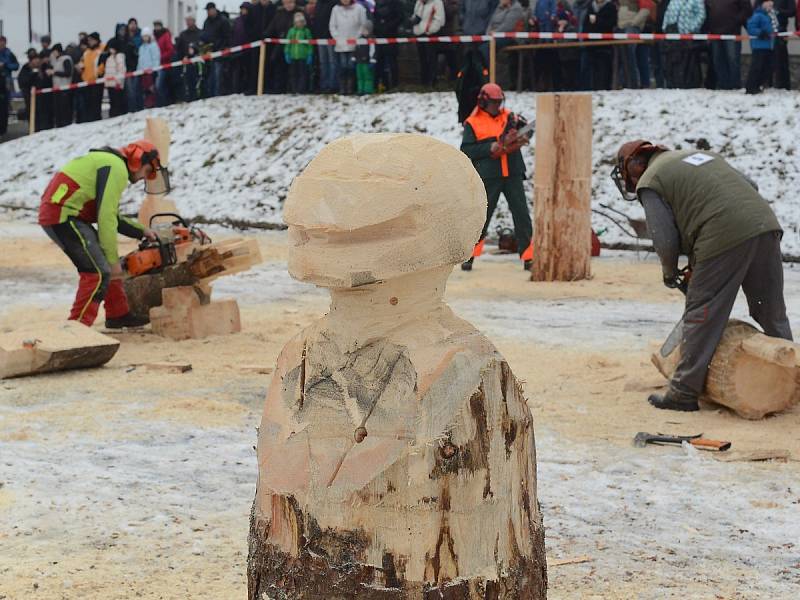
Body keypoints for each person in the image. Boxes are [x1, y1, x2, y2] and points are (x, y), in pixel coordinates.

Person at [611, 140, 791, 411]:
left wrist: (670, 272)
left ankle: (683, 391)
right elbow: (749, 187)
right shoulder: (700, 155)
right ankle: (793, 380)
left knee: (702, 312)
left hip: (722, 234)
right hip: (763, 224)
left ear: (634, 164)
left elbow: (665, 240)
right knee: (771, 311)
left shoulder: (651, 179)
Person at [37, 141, 168, 328]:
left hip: (69, 215)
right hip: (63, 215)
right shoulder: (116, 168)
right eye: (147, 171)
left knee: (104, 264)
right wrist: (113, 261)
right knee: (97, 272)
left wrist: (142, 231)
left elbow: (110, 215)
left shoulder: (110, 163)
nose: (144, 178)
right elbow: (105, 218)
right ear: (138, 160)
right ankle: (77, 329)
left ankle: (118, 314)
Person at [460, 83, 533, 272]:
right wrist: (489, 147)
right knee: (482, 217)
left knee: (522, 215)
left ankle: (528, 257)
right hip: (489, 175)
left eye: (499, 102)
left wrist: (522, 135)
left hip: (513, 172)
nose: (497, 106)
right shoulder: (473, 122)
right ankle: (470, 256)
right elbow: (466, 150)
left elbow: (527, 129)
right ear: (484, 101)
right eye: (494, 103)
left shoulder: (509, 116)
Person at [705, 0, 751, 90]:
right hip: (715, 32)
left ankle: (734, 85)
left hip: (732, 32)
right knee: (717, 59)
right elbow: (707, 9)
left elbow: (746, 10)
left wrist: (735, 21)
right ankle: (723, 85)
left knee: (733, 59)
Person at [662, 0, 706, 88]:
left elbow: (701, 15)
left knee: (689, 60)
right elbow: (667, 13)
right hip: (673, 35)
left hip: (688, 36)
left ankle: (688, 83)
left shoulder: (697, 1)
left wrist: (691, 29)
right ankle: (674, 83)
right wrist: (664, 27)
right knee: (673, 60)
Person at [329, 0, 369, 94]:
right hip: (341, 43)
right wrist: (337, 37)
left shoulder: (359, 8)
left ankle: (351, 88)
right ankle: (343, 89)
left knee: (351, 66)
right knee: (343, 65)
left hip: (355, 43)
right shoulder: (335, 9)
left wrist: (356, 37)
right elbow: (332, 26)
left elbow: (363, 24)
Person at [266, 0, 304, 93]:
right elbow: (272, 26)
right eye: (286, 3)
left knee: (293, 69)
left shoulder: (300, 13)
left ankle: (292, 88)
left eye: (291, 2)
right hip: (280, 43)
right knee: (278, 65)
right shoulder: (279, 13)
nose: (289, 5)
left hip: (295, 45)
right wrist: (266, 34)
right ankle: (279, 88)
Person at [582, 0, 617, 90]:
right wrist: (585, 38)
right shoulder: (591, 7)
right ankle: (589, 89)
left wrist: (597, 20)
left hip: (605, 45)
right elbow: (585, 24)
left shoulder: (610, 7)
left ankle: (604, 89)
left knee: (604, 70)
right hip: (590, 45)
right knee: (588, 70)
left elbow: (611, 23)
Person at [617, 0, 651, 89]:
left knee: (629, 54)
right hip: (621, 26)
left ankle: (631, 83)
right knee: (625, 55)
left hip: (631, 27)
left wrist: (634, 23)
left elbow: (646, 9)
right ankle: (626, 82)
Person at [745, 0, 777, 94]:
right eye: (768, 5)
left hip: (768, 46)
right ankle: (751, 87)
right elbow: (750, 28)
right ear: (763, 4)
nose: (770, 7)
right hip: (759, 46)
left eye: (772, 6)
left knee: (766, 67)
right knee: (756, 67)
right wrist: (760, 33)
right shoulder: (758, 15)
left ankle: (758, 85)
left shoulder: (770, 16)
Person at [412, 0, 446, 87]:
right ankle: (423, 82)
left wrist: (429, 30)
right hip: (419, 34)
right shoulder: (419, 2)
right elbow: (416, 14)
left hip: (431, 35)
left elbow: (439, 20)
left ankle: (432, 81)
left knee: (431, 59)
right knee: (422, 59)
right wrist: (414, 24)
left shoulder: (437, 2)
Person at [203, 2, 233, 97]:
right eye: (207, 11)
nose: (208, 12)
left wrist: (224, 48)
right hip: (210, 52)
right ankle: (211, 95)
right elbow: (205, 36)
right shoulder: (206, 22)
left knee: (218, 75)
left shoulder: (223, 21)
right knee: (211, 76)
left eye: (210, 10)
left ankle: (217, 95)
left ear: (214, 9)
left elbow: (228, 36)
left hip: (220, 51)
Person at [373, 0, 403, 90]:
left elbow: (400, 17)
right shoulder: (377, 3)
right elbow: (374, 17)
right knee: (379, 63)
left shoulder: (396, 3)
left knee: (392, 62)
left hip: (391, 36)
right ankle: (382, 85)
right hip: (379, 37)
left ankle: (394, 85)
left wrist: (388, 26)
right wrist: (378, 27)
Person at [314, 0, 339, 92]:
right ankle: (324, 85)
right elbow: (317, 20)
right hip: (320, 38)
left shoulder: (334, 3)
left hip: (331, 37)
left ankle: (333, 85)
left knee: (333, 62)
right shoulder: (319, 3)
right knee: (323, 62)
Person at [285, 11, 313, 93]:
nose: (299, 24)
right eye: (297, 22)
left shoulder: (306, 31)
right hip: (293, 56)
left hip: (303, 56)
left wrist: (310, 54)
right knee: (293, 74)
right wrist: (287, 53)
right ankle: (294, 89)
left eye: (301, 22)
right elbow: (287, 43)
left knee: (303, 74)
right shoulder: (291, 31)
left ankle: (301, 89)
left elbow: (310, 44)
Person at [80, 32, 105, 122]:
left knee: (96, 102)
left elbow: (103, 63)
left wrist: (99, 73)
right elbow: (82, 63)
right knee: (88, 102)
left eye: (91, 40)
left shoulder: (102, 48)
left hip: (97, 80)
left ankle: (97, 119)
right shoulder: (86, 52)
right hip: (87, 81)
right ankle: (89, 120)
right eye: (89, 40)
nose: (90, 42)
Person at [48, 44, 74, 127]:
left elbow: (68, 73)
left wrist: (54, 72)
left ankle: (66, 124)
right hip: (57, 88)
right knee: (58, 109)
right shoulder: (56, 60)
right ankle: (59, 124)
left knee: (64, 109)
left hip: (65, 88)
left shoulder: (66, 59)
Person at [773, 0, 795, 89]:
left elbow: (792, 11)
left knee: (781, 59)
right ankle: (768, 84)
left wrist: (779, 11)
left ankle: (783, 85)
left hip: (781, 30)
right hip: (766, 31)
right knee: (766, 59)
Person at [137, 28, 161, 109]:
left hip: (151, 71)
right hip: (143, 72)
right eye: (143, 37)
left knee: (152, 89)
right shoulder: (141, 48)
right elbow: (140, 60)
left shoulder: (153, 46)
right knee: (145, 89)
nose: (145, 38)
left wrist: (155, 69)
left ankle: (153, 104)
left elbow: (156, 58)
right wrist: (138, 70)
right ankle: (146, 104)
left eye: (146, 36)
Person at [153, 21, 175, 106]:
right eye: (155, 26)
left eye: (158, 26)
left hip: (164, 64)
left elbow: (170, 50)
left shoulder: (166, 36)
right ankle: (161, 103)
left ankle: (164, 103)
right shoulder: (154, 37)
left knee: (159, 85)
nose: (156, 28)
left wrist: (160, 57)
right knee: (159, 86)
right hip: (156, 65)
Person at [104, 39, 128, 117]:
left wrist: (119, 82)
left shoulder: (119, 57)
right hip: (110, 84)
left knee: (117, 102)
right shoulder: (109, 58)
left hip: (116, 84)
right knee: (112, 102)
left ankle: (118, 115)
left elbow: (121, 70)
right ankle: (112, 116)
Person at [0, 36, 19, 129]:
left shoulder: (9, 54)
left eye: (3, 42)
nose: (1, 44)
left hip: (6, 80)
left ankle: (3, 127)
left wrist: (6, 65)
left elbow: (16, 66)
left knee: (5, 104)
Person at [17, 49, 41, 122]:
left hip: (40, 96)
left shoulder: (41, 68)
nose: (37, 61)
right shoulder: (25, 68)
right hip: (28, 94)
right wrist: (32, 75)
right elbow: (22, 81)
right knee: (31, 111)